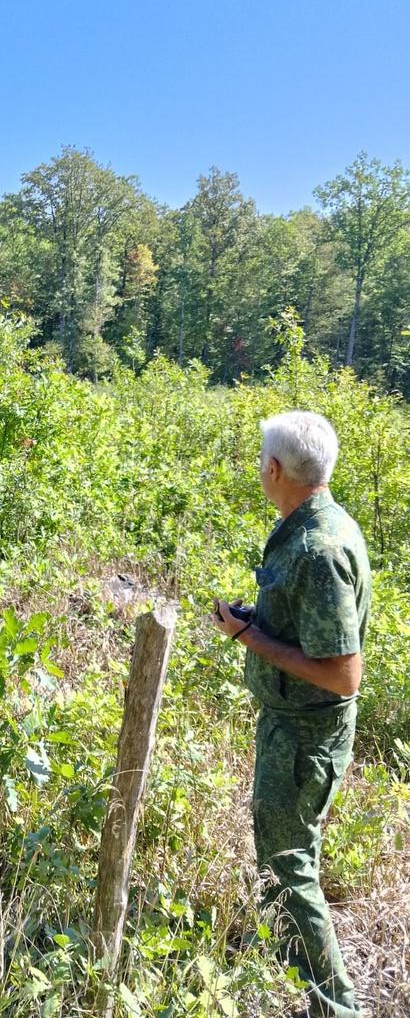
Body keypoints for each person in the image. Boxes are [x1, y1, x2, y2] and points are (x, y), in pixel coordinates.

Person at [212, 410, 371, 1018]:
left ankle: (337, 1005)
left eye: (260, 462)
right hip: (291, 727)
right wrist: (260, 620)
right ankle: (296, 979)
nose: (259, 471)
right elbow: (316, 632)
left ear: (275, 469)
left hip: (306, 737)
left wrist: (249, 637)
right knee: (284, 855)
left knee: (289, 865)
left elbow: (341, 673)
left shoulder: (317, 547)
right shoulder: (315, 526)